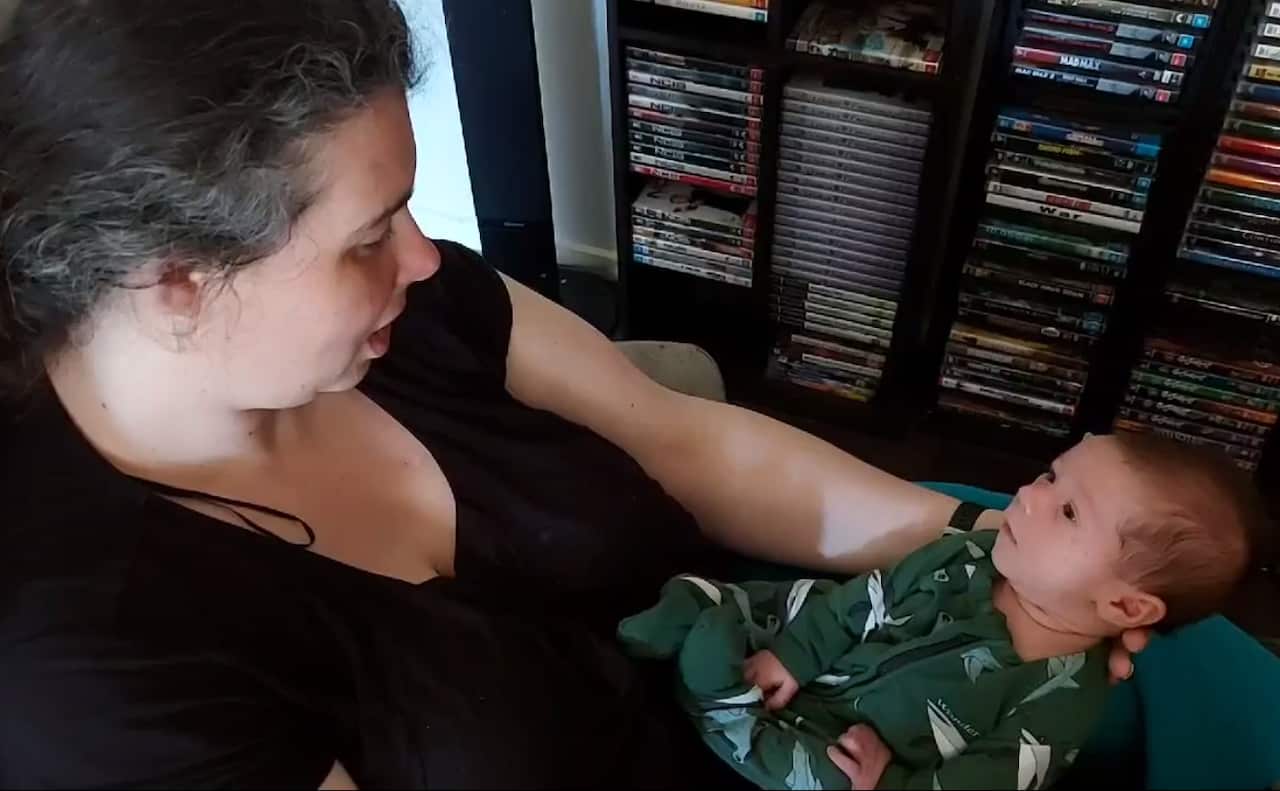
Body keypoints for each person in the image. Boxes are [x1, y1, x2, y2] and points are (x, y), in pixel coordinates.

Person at [0, 1, 1145, 787]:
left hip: (793, 678)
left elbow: (687, 442)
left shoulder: (420, 313)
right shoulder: (89, 658)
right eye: (367, 236)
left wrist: (993, 545)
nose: (425, 257)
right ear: (177, 282)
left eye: (407, 206)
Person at [620, 432, 1258, 790]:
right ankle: (700, 609)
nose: (1029, 496)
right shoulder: (975, 555)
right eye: (1050, 476)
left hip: (841, 743)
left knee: (826, 780)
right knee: (786, 601)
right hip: (824, 647)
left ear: (1124, 603)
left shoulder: (1060, 702)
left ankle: (713, 691)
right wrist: (796, 651)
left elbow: (980, 787)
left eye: (1068, 511)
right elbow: (868, 596)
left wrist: (884, 784)